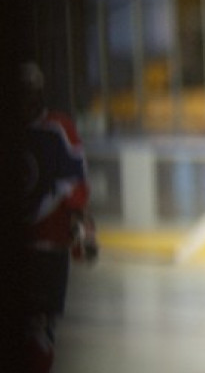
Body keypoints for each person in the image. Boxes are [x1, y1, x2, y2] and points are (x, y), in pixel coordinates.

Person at [20, 62, 98, 372]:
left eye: (28, 93)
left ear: (39, 95)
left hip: (48, 254)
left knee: (40, 332)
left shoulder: (58, 129)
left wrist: (84, 233)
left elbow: (75, 189)